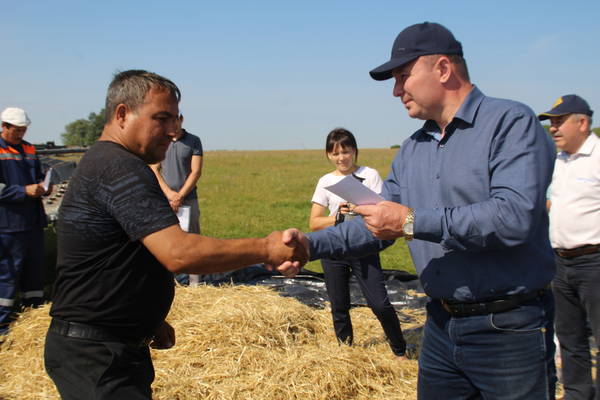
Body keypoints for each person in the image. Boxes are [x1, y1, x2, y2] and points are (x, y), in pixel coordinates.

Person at [282, 22, 557, 399]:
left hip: (508, 328)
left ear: (443, 69)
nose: (396, 91)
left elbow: (512, 218)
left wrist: (410, 222)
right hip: (441, 327)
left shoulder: (510, 124)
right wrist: (309, 247)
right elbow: (375, 220)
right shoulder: (412, 149)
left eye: (403, 76)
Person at [43, 69, 307, 400]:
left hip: (108, 344)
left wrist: (147, 318)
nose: (172, 131)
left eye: (175, 120)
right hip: (96, 354)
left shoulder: (110, 162)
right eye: (162, 118)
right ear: (122, 114)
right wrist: (267, 248)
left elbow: (115, 256)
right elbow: (179, 253)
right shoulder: (118, 166)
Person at [309, 127, 406, 358]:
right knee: (339, 305)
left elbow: (382, 210)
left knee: (379, 303)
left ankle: (400, 351)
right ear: (328, 155)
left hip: (363, 246)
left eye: (346, 151)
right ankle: (346, 353)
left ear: (355, 151)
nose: (341, 157)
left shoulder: (369, 175)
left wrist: (358, 210)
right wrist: (337, 217)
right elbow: (314, 223)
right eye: (335, 153)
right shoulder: (325, 181)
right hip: (333, 248)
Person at [539, 94, 599, 400]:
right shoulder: (557, 162)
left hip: (594, 262)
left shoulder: (598, 157)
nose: (553, 129)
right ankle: (577, 394)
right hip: (560, 263)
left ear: (583, 123)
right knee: (569, 335)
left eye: (560, 122)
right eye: (551, 123)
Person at [0, 107, 51, 336]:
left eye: (23, 130)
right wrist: (24, 191)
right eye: (17, 130)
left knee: (35, 272)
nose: (20, 134)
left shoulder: (30, 149)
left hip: (32, 221)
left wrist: (43, 187)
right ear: (4, 127)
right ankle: (2, 325)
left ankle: (33, 318)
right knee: (8, 275)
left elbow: (38, 177)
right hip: (8, 225)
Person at [150, 114, 203, 286]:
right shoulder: (160, 140)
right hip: (164, 201)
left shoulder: (193, 141)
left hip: (188, 200)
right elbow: (154, 169)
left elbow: (196, 172)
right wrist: (169, 194)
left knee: (192, 240)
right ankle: (166, 282)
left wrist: (179, 196)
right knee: (164, 241)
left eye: (175, 120)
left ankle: (195, 284)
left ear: (181, 119)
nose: (172, 125)